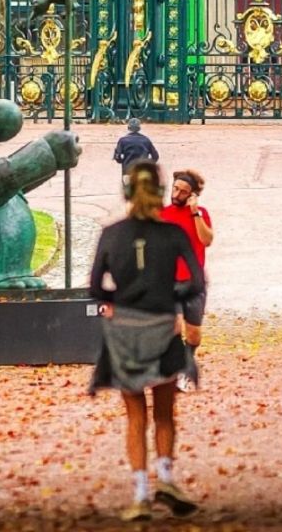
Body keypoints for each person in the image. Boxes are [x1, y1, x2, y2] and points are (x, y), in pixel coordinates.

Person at [89, 161, 204, 522]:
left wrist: (118, 301)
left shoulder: (112, 235)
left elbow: (95, 287)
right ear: (160, 191)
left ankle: (140, 491)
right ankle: (166, 477)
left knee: (135, 415)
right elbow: (197, 283)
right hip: (160, 326)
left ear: (127, 191)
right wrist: (168, 296)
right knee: (166, 411)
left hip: (125, 329)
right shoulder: (173, 234)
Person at [160, 168, 213, 392]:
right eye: (175, 189)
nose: (177, 194)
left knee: (193, 333)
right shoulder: (163, 214)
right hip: (169, 281)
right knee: (173, 326)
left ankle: (185, 361)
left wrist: (194, 213)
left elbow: (207, 240)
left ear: (192, 195)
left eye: (183, 191)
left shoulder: (200, 213)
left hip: (193, 281)